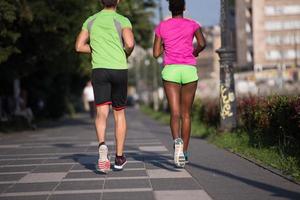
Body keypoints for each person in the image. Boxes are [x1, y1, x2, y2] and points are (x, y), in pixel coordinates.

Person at [75, 0, 134, 172]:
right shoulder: (122, 20)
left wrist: (97, 48)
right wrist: (124, 53)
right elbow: (130, 43)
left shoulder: (91, 20)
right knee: (119, 113)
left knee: (101, 112)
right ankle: (119, 157)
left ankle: (102, 146)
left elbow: (79, 46)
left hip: (99, 70)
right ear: (118, 1)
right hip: (119, 69)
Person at [153, 0, 206, 168]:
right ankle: (184, 152)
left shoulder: (162, 26)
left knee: (175, 113)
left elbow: (155, 53)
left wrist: (164, 45)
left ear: (170, 8)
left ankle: (177, 142)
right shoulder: (193, 24)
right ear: (184, 7)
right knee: (186, 114)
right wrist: (194, 52)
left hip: (171, 71)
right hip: (189, 70)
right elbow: (203, 43)